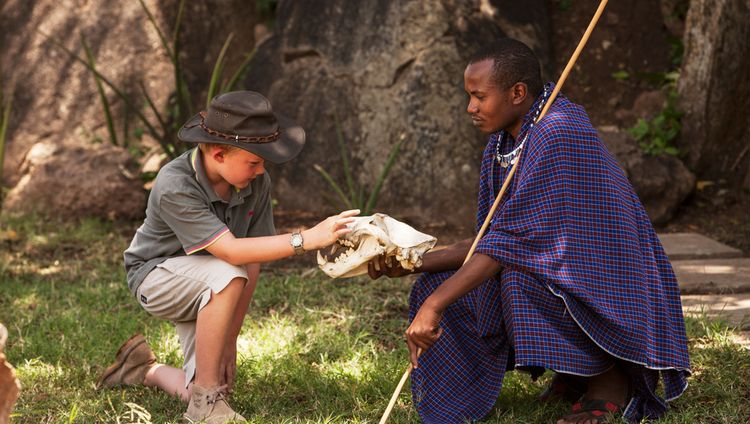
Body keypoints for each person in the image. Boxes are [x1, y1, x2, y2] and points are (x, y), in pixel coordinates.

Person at [369, 39, 690, 424]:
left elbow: (507, 247)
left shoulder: (556, 132)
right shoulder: (505, 139)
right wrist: (411, 263)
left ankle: (610, 380)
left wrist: (434, 306)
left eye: (478, 96)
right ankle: (572, 375)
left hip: (610, 285)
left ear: (517, 93)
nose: (470, 107)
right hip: (554, 269)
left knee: (517, 281)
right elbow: (492, 235)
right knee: (439, 281)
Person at [98, 91, 359, 423]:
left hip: (210, 284)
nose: (261, 169)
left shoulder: (254, 181)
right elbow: (231, 253)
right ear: (219, 153)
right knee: (225, 274)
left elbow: (252, 259)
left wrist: (229, 338)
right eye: (254, 161)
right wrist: (306, 239)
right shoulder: (175, 183)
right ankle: (205, 406)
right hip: (155, 278)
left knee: (217, 380)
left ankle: (143, 368)